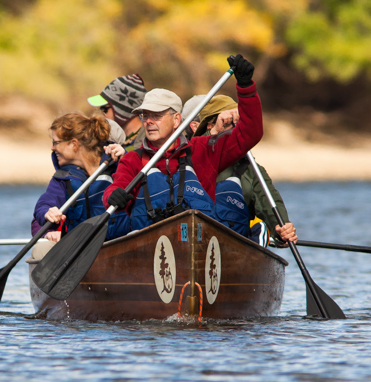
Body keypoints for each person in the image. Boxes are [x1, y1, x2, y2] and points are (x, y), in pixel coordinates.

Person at [102, 54, 261, 236]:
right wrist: (113, 196)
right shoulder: (132, 159)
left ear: (177, 119)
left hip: (198, 237)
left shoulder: (204, 149)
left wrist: (246, 87)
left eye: (157, 115)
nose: (149, 122)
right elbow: (115, 189)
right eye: (145, 116)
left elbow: (251, 133)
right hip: (150, 242)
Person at [188, 94, 298, 247]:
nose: (233, 129)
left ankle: (257, 238)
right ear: (209, 126)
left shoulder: (252, 170)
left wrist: (283, 230)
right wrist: (214, 135)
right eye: (227, 122)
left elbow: (271, 205)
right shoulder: (188, 155)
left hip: (231, 243)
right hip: (190, 237)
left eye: (237, 123)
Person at [31, 112, 128, 243]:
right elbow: (45, 203)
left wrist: (126, 157)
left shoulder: (117, 162)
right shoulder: (63, 178)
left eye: (56, 142)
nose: (52, 148)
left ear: (74, 144)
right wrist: (47, 212)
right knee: (41, 249)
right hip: (81, 249)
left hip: (118, 243)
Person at [87, 74, 147, 151]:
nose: (102, 115)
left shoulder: (147, 143)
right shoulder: (113, 140)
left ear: (122, 111)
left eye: (104, 109)